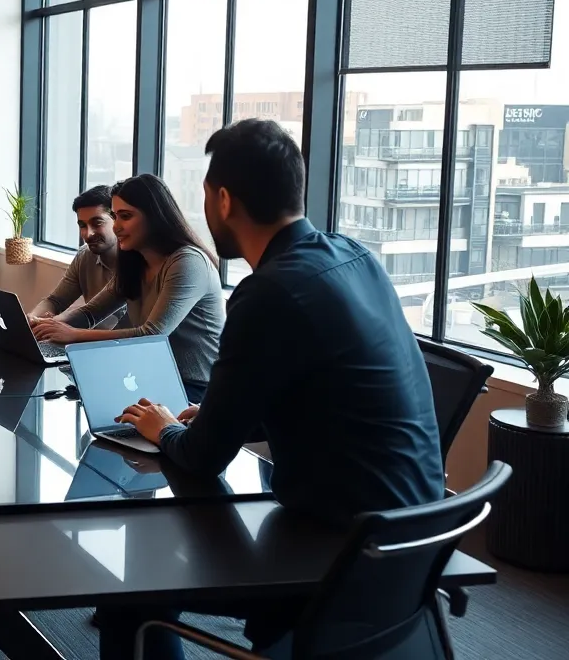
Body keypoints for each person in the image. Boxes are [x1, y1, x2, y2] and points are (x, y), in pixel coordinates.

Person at [103, 120, 446, 659]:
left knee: (130, 586)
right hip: (411, 545)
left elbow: (202, 458)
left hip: (335, 560)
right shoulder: (356, 258)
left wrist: (166, 427)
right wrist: (217, 413)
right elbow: (321, 393)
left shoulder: (267, 294)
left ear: (222, 199)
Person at [32, 174, 225, 403]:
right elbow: (90, 313)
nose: (117, 226)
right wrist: (43, 326)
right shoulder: (134, 260)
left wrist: (72, 336)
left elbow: (151, 335)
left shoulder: (188, 262)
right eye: (114, 217)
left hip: (195, 389)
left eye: (125, 216)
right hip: (149, 375)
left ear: (155, 217)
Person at [28, 185, 123, 330]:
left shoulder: (139, 262)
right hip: (88, 344)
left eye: (97, 223)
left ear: (117, 220)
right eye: (82, 225)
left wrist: (53, 324)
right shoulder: (85, 255)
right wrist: (33, 318)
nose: (88, 234)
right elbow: (56, 301)